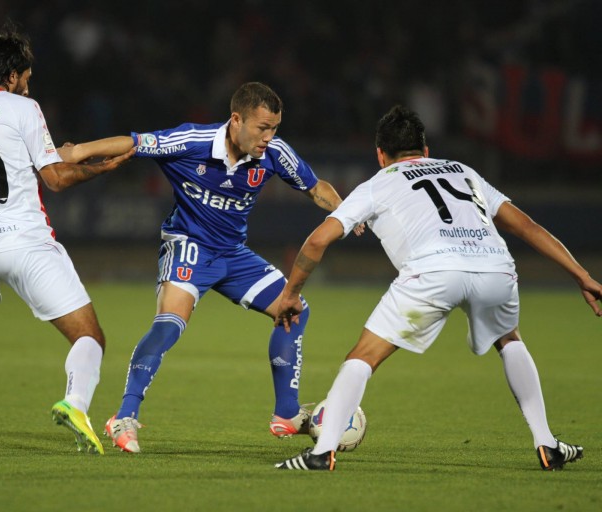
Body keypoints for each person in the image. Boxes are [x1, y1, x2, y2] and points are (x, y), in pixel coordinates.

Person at [274, 105, 601, 471]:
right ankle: (547, 444)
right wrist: (581, 275)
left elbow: (317, 242)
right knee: (509, 339)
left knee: (363, 357)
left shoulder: (378, 183)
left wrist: (291, 293)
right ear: (426, 151)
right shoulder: (464, 171)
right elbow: (525, 226)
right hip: (495, 268)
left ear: (380, 155)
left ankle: (322, 454)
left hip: (433, 273)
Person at [61, 82, 356, 453]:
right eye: (262, 128)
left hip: (233, 254)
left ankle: (286, 414)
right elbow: (134, 143)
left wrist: (346, 211)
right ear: (236, 120)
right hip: (188, 246)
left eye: (275, 128)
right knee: (169, 325)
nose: (269, 137)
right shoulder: (192, 141)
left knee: (293, 309)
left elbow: (315, 188)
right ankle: (123, 416)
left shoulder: (274, 154)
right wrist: (78, 152)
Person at [0, 24, 133, 452]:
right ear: (10, 76)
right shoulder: (23, 107)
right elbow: (55, 179)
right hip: (25, 243)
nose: (28, 82)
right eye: (25, 75)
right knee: (89, 336)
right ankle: (75, 404)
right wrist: (100, 168)